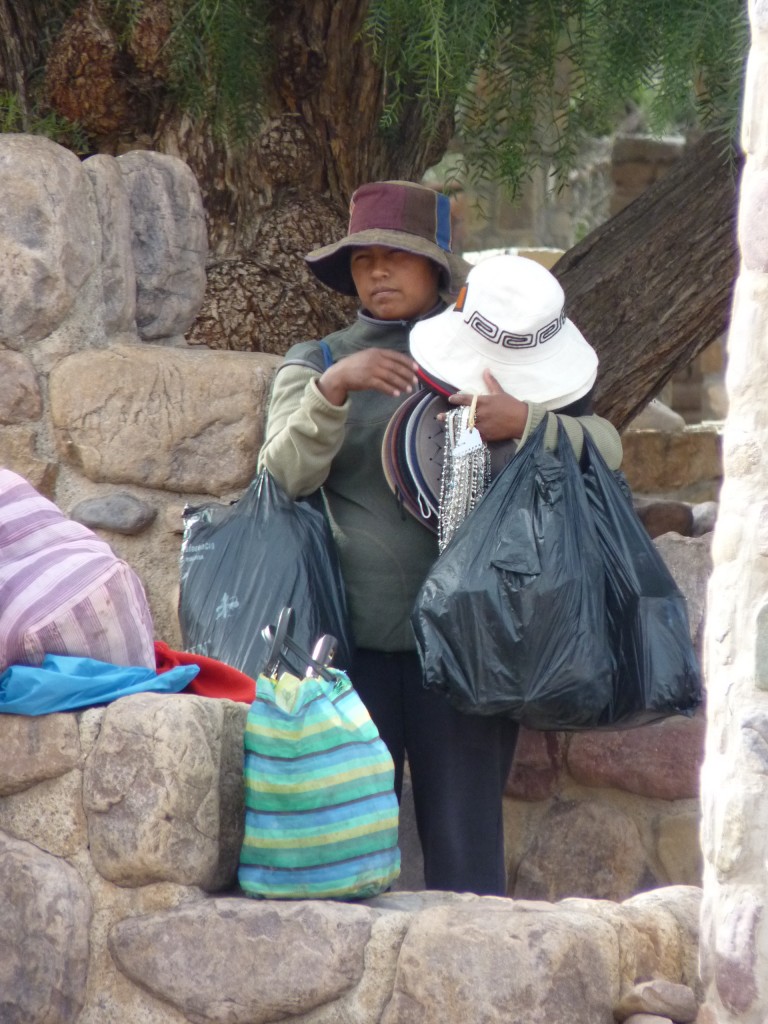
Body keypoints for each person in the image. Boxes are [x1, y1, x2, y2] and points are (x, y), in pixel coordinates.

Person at [258, 180, 622, 896]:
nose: (378, 272)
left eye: (398, 257)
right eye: (363, 259)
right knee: (342, 849)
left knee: (466, 852)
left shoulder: (499, 351)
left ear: (437, 271)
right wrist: (333, 389)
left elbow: (606, 448)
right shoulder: (319, 356)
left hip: (473, 641)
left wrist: (527, 422)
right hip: (347, 648)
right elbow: (282, 476)